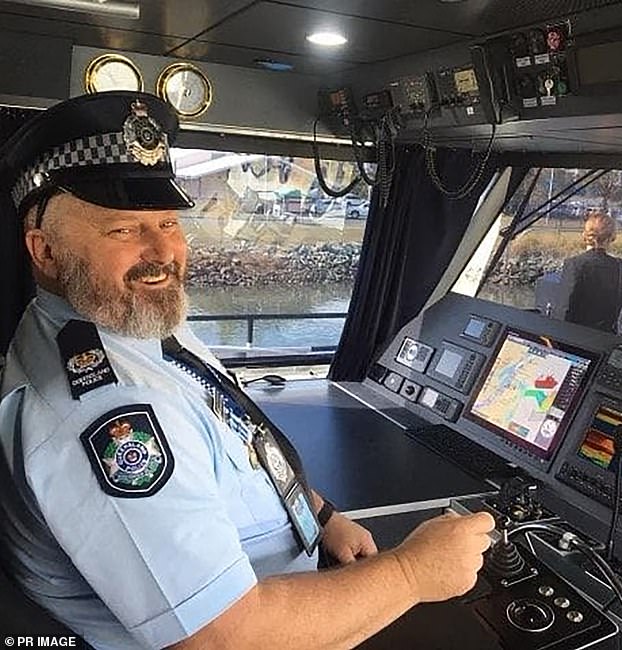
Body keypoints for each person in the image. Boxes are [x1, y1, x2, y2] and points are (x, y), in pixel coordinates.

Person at [0, 91, 494, 649]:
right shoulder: (107, 413)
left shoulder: (129, 324)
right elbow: (222, 638)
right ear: (43, 251)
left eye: (167, 221)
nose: (163, 250)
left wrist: (321, 516)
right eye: (123, 230)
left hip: (290, 581)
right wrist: (412, 574)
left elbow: (238, 433)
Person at [555, 210, 622, 332]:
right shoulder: (620, 266)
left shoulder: (574, 264)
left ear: (585, 235)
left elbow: (564, 310)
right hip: (609, 341)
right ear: (611, 237)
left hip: (576, 339)